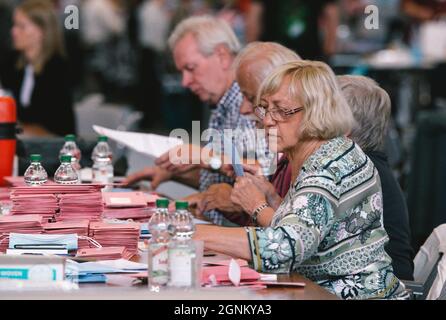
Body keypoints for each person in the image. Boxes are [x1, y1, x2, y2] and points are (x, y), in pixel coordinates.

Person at [195, 60, 408, 300]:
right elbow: (306, 229)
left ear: (316, 112)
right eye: (265, 108)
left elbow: (284, 247)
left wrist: (192, 235)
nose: (267, 121)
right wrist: (275, 201)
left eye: (282, 111)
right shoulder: (324, 153)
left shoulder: (330, 166)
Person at [123, 15, 270, 226]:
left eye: (190, 68)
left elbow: (266, 175)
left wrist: (205, 157)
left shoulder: (245, 102)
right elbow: (227, 177)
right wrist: (172, 173)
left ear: (222, 55)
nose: (185, 82)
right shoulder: (223, 101)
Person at [191, 41, 300, 226]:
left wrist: (250, 204)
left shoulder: (307, 157)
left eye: (253, 99)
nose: (243, 109)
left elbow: (291, 239)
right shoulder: (286, 156)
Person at [337, 75, 414, 280]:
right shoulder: (368, 164)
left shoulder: (356, 172)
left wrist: (259, 206)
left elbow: (304, 243)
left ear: (343, 128)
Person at [0, 0, 75, 136]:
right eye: (14, 25)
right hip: (23, 144)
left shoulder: (57, 70)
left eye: (21, 26)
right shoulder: (13, 63)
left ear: (41, 31)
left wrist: (13, 127)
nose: (13, 31)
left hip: (55, 149)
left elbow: (56, 129)